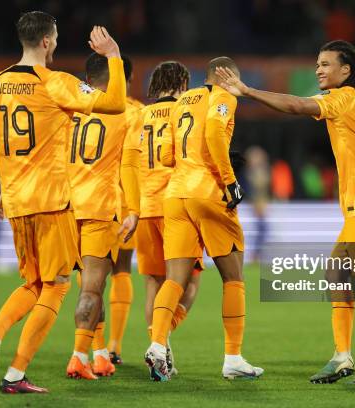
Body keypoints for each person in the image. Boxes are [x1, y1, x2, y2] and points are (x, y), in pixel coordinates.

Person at [216, 40, 355, 385]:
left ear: (346, 70)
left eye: (325, 64)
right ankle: (342, 357)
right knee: (337, 274)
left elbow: (295, 105)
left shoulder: (343, 98)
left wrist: (247, 90)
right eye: (317, 64)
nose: (319, 69)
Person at [0, 11, 125, 393]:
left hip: (16, 201)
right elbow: (115, 102)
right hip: (50, 200)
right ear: (47, 42)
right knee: (57, 285)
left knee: (34, 283)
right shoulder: (55, 83)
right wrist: (113, 55)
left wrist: (10, 148)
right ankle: (15, 373)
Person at [144, 56, 263, 381]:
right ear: (227, 77)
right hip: (208, 192)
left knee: (174, 279)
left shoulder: (183, 99)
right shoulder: (223, 97)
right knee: (234, 277)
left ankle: (157, 344)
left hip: (175, 195)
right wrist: (229, 180)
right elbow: (212, 132)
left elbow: (168, 153)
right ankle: (233, 358)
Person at [65, 53, 139, 380]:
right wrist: (134, 209)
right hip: (102, 205)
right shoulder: (127, 111)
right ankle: (80, 356)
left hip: (67, 206)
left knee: (86, 283)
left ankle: (99, 354)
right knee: (96, 285)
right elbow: (131, 165)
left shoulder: (66, 107)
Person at [136, 61, 202, 375]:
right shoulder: (183, 112)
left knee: (155, 283)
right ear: (181, 83)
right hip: (176, 205)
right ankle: (160, 344)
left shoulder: (140, 116)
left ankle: (159, 348)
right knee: (188, 283)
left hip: (145, 208)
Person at [107, 55, 143, 365]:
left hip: (87, 199)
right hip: (126, 201)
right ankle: (114, 346)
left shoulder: (81, 107)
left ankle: (90, 348)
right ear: (127, 79)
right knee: (121, 269)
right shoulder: (138, 112)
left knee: (89, 275)